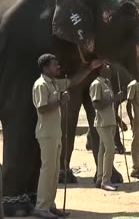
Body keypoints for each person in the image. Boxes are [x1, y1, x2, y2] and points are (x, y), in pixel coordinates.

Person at [32, 53, 103, 218]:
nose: (57, 66)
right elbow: (42, 108)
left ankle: (50, 205)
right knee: (47, 171)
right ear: (45, 68)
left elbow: (73, 81)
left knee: (55, 171)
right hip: (46, 134)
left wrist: (90, 68)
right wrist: (60, 102)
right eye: (54, 64)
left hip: (55, 133)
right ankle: (41, 207)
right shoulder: (40, 85)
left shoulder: (55, 83)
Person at [89, 63, 123, 191]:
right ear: (100, 70)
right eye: (105, 66)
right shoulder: (96, 84)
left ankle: (99, 178)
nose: (109, 67)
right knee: (110, 149)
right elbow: (96, 104)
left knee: (103, 149)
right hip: (103, 122)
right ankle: (106, 180)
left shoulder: (107, 83)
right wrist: (114, 99)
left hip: (110, 120)